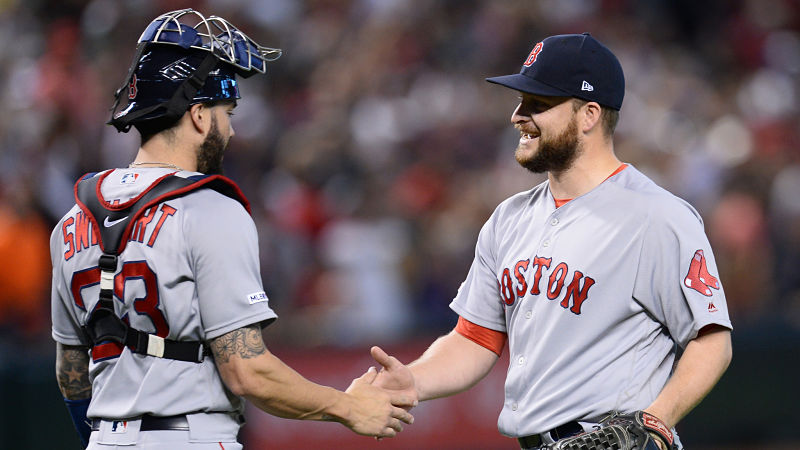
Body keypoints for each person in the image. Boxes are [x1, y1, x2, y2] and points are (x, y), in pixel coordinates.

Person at [50, 9, 413, 449]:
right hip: (190, 437)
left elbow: (71, 372)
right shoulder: (209, 209)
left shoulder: (72, 219)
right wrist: (349, 406)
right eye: (228, 111)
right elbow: (248, 371)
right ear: (199, 115)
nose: (233, 129)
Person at [370, 32, 732, 450]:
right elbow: (475, 338)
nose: (517, 116)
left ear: (589, 115)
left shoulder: (657, 217)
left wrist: (655, 423)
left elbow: (711, 340)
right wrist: (413, 379)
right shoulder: (508, 218)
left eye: (538, 104)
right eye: (522, 101)